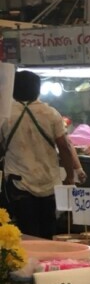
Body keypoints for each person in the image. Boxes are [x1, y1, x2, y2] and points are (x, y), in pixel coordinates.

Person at [1, 70, 76, 239]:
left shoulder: (5, 114)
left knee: (27, 231)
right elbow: (64, 147)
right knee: (48, 229)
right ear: (37, 90)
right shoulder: (51, 113)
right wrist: (70, 176)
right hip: (49, 182)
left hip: (18, 183)